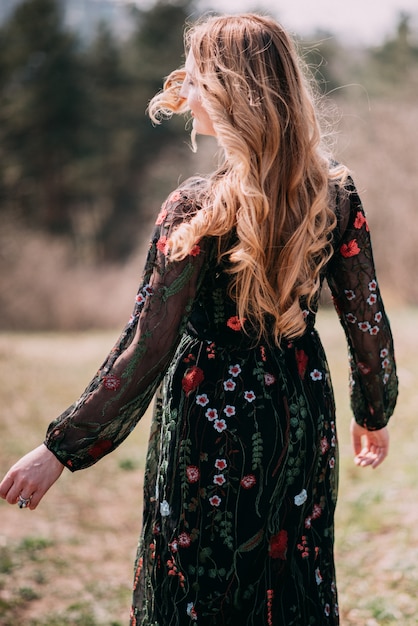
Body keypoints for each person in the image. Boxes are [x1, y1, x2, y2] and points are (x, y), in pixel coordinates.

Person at [0, 13, 397, 626]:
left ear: (237, 93)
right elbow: (365, 321)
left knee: (196, 588)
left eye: (200, 79)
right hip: (298, 416)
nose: (184, 93)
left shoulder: (195, 208)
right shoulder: (335, 196)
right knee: (288, 578)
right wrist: (372, 412)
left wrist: (59, 449)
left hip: (207, 423)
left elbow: (146, 347)